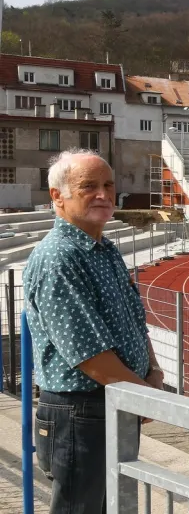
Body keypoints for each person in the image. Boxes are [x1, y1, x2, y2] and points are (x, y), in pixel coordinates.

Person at [24, 148, 163, 514]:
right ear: (58, 196)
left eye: (108, 184)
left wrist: (155, 371)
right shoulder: (59, 257)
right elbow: (89, 355)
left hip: (114, 401)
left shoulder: (105, 250)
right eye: (88, 186)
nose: (103, 194)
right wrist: (145, 395)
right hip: (80, 413)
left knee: (112, 505)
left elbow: (135, 318)